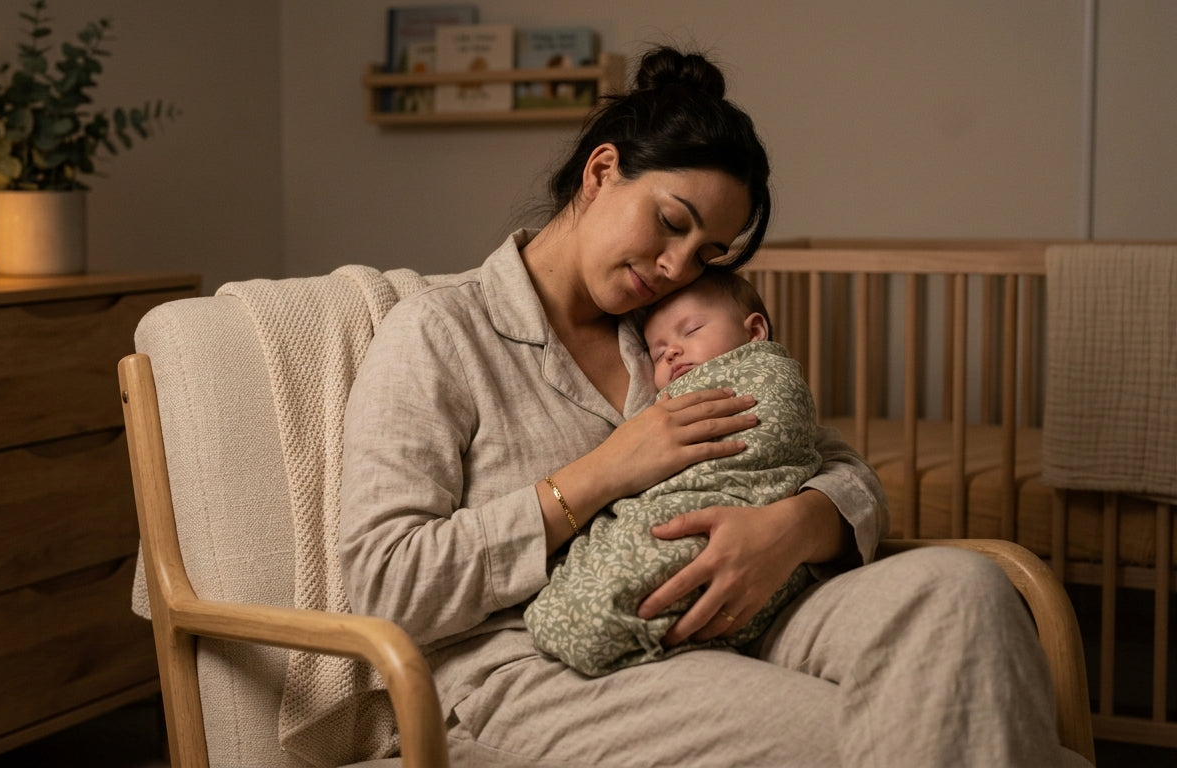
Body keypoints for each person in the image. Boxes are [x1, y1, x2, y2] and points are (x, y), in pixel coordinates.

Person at [341, 45, 1086, 767]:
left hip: (744, 611)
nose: (675, 268)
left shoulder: (666, 330)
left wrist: (791, 528)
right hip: (540, 663)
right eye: (671, 223)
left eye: (705, 254)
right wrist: (599, 475)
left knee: (964, 588)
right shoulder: (442, 333)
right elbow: (382, 581)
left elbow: (838, 466)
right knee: (877, 735)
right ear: (602, 171)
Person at [524, 269, 822, 675]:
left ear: (754, 333)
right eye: (657, 350)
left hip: (749, 531)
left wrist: (799, 522)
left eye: (692, 330)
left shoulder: (763, 376)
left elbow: (815, 454)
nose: (671, 353)